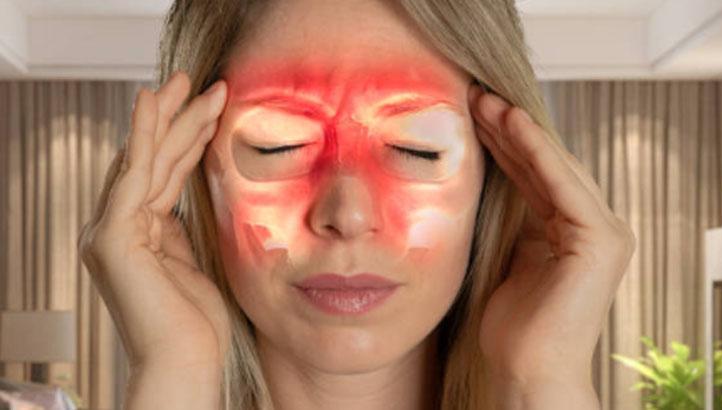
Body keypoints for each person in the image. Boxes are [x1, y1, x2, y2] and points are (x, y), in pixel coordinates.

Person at [77, 0, 637, 409]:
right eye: (278, 145)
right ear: (192, 173)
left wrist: (542, 384)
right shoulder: (172, 384)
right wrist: (174, 378)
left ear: (498, 175)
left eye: (416, 148)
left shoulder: (542, 385)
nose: (347, 215)